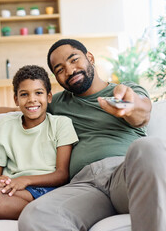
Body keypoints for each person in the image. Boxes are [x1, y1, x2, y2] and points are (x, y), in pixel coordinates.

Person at [18, 39, 166, 231]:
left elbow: (142, 113)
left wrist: (128, 107)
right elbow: (19, 110)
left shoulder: (125, 91)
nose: (70, 71)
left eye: (74, 60)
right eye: (60, 69)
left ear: (90, 57)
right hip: (84, 185)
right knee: (35, 215)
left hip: (124, 175)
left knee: (149, 147)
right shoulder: (56, 103)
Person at [0, 65, 78, 220]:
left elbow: (62, 175)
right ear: (16, 99)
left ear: (49, 97)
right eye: (24, 94)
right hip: (11, 189)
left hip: (47, 189)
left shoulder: (61, 124)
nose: (32, 99)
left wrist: (24, 180)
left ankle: (0, 209)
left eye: (38, 93)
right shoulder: (5, 125)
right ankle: (9, 210)